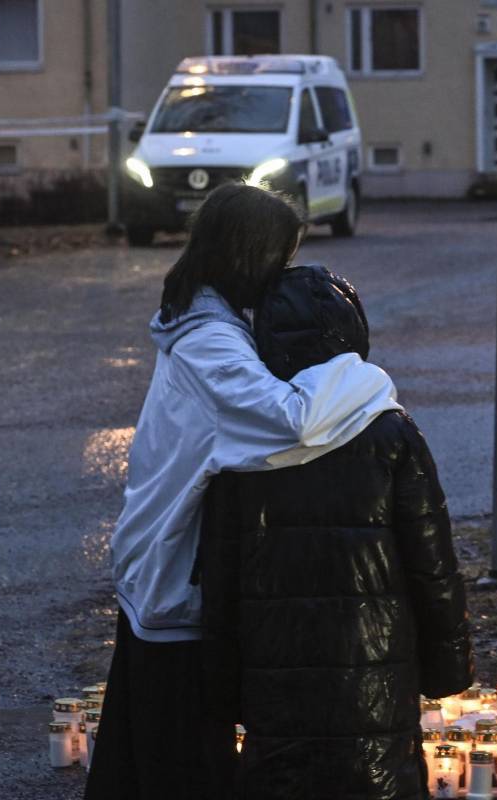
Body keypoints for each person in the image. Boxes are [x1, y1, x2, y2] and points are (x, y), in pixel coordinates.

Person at [86, 184, 402, 799]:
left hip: (165, 567)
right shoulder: (210, 343)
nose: (282, 275)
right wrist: (362, 378)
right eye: (280, 259)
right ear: (249, 256)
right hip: (175, 576)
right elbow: (287, 422)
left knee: (145, 749)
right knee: (179, 756)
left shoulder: (205, 321)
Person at [199, 265, 474, 798]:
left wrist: (220, 686)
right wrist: (447, 667)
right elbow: (432, 565)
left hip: (273, 680)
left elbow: (220, 576)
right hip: (375, 678)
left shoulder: (242, 442)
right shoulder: (391, 431)